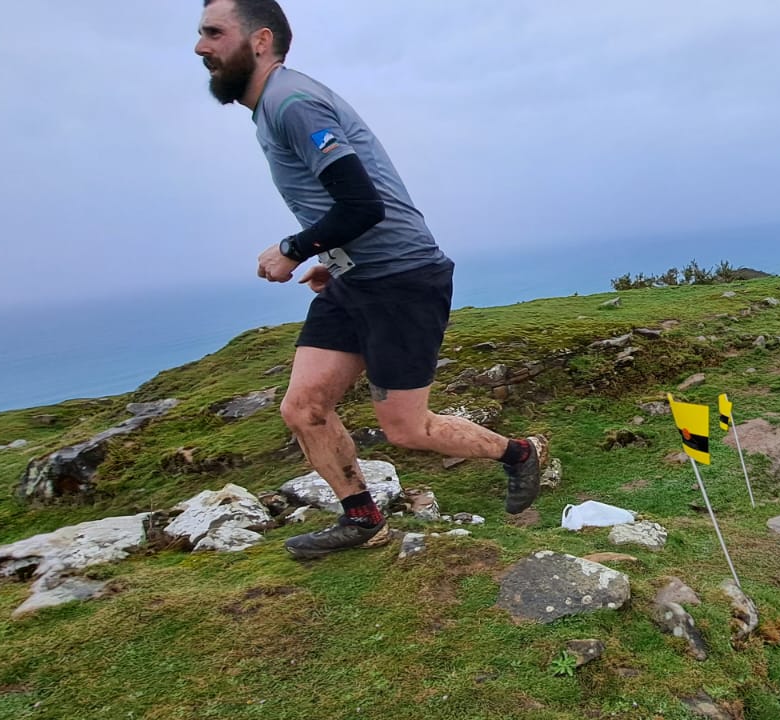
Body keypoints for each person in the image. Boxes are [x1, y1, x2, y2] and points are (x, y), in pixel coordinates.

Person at [195, 0, 547, 559]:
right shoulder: (269, 109)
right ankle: (362, 519)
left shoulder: (293, 103)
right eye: (201, 34)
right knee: (303, 408)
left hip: (404, 279)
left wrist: (292, 248)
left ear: (260, 41)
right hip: (354, 278)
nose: (200, 47)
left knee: (406, 428)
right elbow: (346, 211)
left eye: (214, 33)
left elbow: (364, 205)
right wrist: (329, 256)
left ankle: (519, 453)